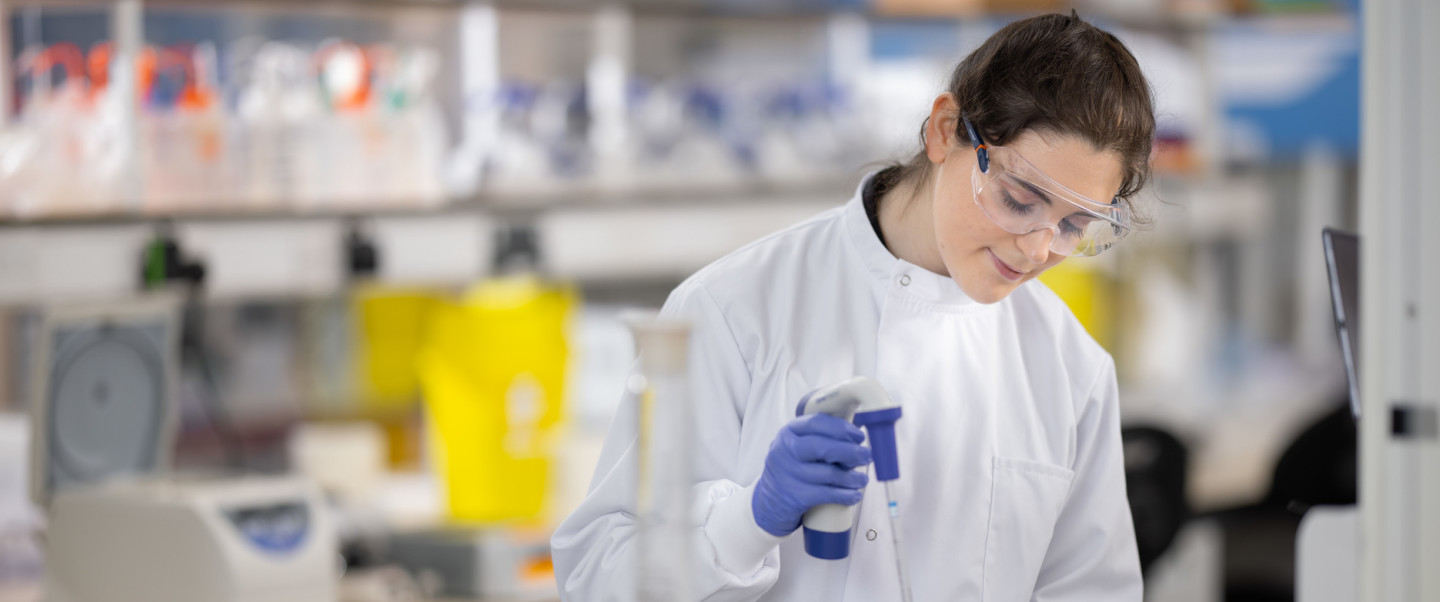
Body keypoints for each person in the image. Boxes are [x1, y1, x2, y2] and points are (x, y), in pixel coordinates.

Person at [552, 11, 1155, 601]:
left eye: (1074, 225)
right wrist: (747, 520)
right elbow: (596, 575)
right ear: (944, 129)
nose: (1038, 249)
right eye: (1019, 200)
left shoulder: (1072, 369)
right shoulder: (733, 309)